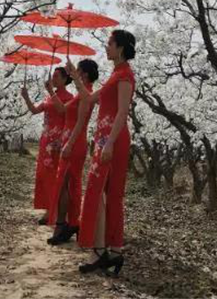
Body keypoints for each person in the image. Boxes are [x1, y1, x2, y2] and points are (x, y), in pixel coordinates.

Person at [66, 29, 136, 276]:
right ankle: (113, 251)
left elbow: (122, 112)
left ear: (120, 47)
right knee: (108, 194)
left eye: (109, 43)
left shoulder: (125, 75)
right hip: (105, 139)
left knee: (101, 193)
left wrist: (109, 144)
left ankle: (100, 251)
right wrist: (75, 77)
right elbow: (89, 98)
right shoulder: (115, 74)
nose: (106, 47)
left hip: (112, 141)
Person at [45, 58, 99, 246]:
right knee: (69, 185)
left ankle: (62, 225)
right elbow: (61, 109)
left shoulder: (86, 93)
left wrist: (69, 144)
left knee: (65, 184)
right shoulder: (80, 94)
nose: (74, 73)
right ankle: (72, 223)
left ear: (84, 73)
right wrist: (51, 92)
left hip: (74, 142)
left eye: (78, 70)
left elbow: (81, 122)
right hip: (70, 140)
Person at [20, 67, 73, 225]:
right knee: (44, 175)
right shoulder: (49, 97)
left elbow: (62, 112)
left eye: (56, 76)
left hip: (58, 142)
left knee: (55, 176)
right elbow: (34, 110)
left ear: (65, 79)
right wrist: (26, 97)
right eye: (53, 76)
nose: (53, 79)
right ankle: (49, 209)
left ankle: (54, 212)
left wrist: (51, 92)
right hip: (45, 141)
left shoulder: (69, 97)